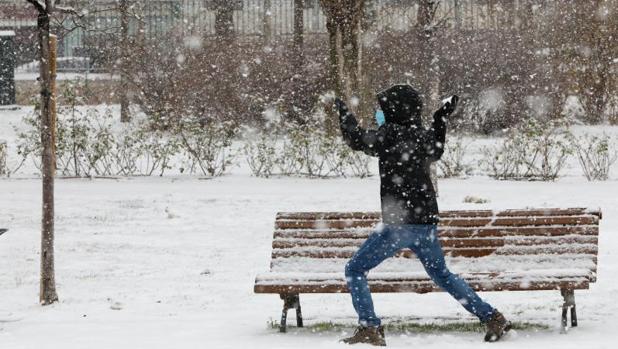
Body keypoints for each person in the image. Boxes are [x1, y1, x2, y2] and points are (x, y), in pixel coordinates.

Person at [334, 84, 510, 346]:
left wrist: (344, 114)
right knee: (442, 276)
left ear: (394, 111)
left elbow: (358, 139)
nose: (379, 114)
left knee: (354, 269)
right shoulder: (421, 136)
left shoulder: (389, 135)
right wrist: (440, 119)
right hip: (425, 223)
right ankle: (492, 317)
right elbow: (437, 149)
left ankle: (369, 326)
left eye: (382, 110)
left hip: (398, 225)